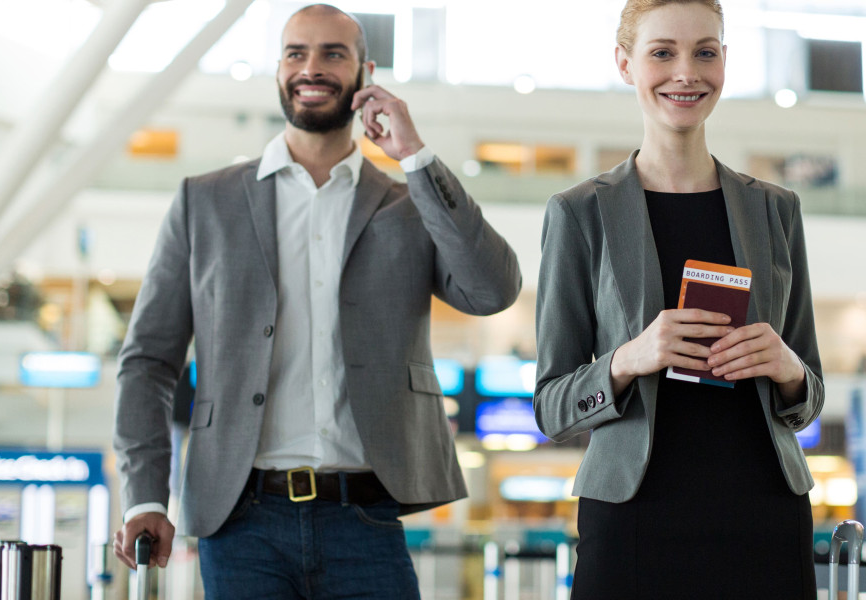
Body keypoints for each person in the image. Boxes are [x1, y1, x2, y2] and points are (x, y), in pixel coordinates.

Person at [112, 4, 521, 598]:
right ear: (279, 70)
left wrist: (416, 157)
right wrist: (145, 494)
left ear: (365, 72)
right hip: (241, 520)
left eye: (334, 53)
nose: (313, 67)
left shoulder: (408, 205)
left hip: (366, 517)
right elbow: (148, 359)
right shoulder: (205, 202)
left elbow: (492, 290)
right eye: (296, 53)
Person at [533, 1, 822, 597]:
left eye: (705, 52)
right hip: (635, 518)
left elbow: (807, 396)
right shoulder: (580, 212)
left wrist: (788, 369)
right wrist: (628, 358)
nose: (686, 72)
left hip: (763, 513)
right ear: (625, 64)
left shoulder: (775, 210)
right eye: (662, 52)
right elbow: (551, 407)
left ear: (724, 62)